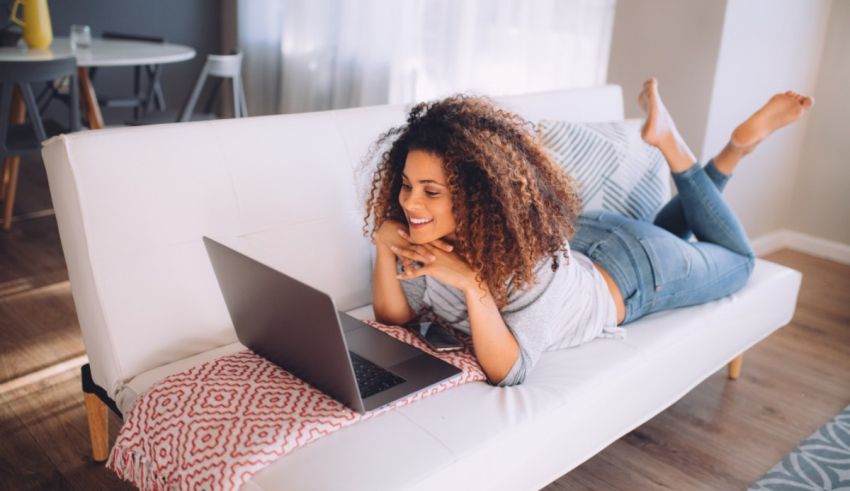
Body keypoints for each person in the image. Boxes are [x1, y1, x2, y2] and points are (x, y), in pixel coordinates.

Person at [363, 78, 813, 387]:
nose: (409, 203)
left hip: (635, 269)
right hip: (589, 237)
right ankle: (730, 155)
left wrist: (472, 283)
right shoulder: (425, 234)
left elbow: (511, 370)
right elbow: (395, 317)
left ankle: (691, 147)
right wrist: (385, 248)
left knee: (740, 261)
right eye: (405, 185)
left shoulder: (531, 266)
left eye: (431, 191)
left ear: (477, 195)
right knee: (672, 233)